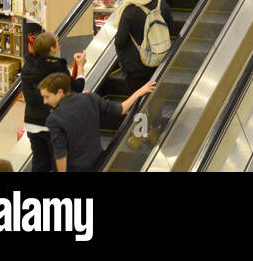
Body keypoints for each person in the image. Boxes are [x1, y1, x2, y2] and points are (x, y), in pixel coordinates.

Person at [39, 72, 155, 171]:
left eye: (47, 96)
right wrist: (139, 92)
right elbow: (120, 109)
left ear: (60, 92)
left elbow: (61, 154)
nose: (44, 101)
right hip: (97, 162)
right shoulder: (90, 98)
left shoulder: (54, 119)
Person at [21, 31, 86, 172]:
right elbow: (78, 87)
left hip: (31, 121)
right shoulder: (56, 67)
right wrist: (80, 67)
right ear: (51, 49)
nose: (59, 45)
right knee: (57, 162)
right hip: (52, 122)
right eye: (56, 44)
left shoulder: (27, 66)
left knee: (39, 162)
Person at [113, 0, 176, 93]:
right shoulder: (161, 4)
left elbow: (120, 40)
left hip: (135, 64)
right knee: (155, 95)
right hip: (158, 57)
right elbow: (170, 28)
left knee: (136, 97)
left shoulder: (130, 10)